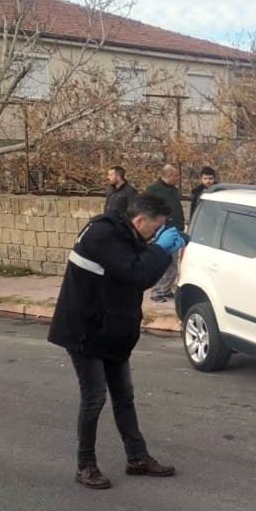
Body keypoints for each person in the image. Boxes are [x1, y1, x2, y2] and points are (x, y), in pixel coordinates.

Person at [48, 193, 186, 489]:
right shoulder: (102, 235)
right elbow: (137, 274)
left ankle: (137, 457)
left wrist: (157, 250)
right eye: (157, 226)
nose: (157, 232)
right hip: (84, 329)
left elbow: (137, 271)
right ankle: (85, 465)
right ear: (140, 220)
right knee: (95, 397)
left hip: (111, 329)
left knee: (124, 395)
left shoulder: (124, 233)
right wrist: (160, 251)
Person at [145, 164, 184, 302]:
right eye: (175, 176)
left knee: (173, 262)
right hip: (163, 230)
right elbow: (147, 210)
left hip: (175, 229)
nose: (178, 178)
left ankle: (166, 289)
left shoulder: (173, 190)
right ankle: (157, 292)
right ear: (168, 175)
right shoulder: (153, 190)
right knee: (162, 261)